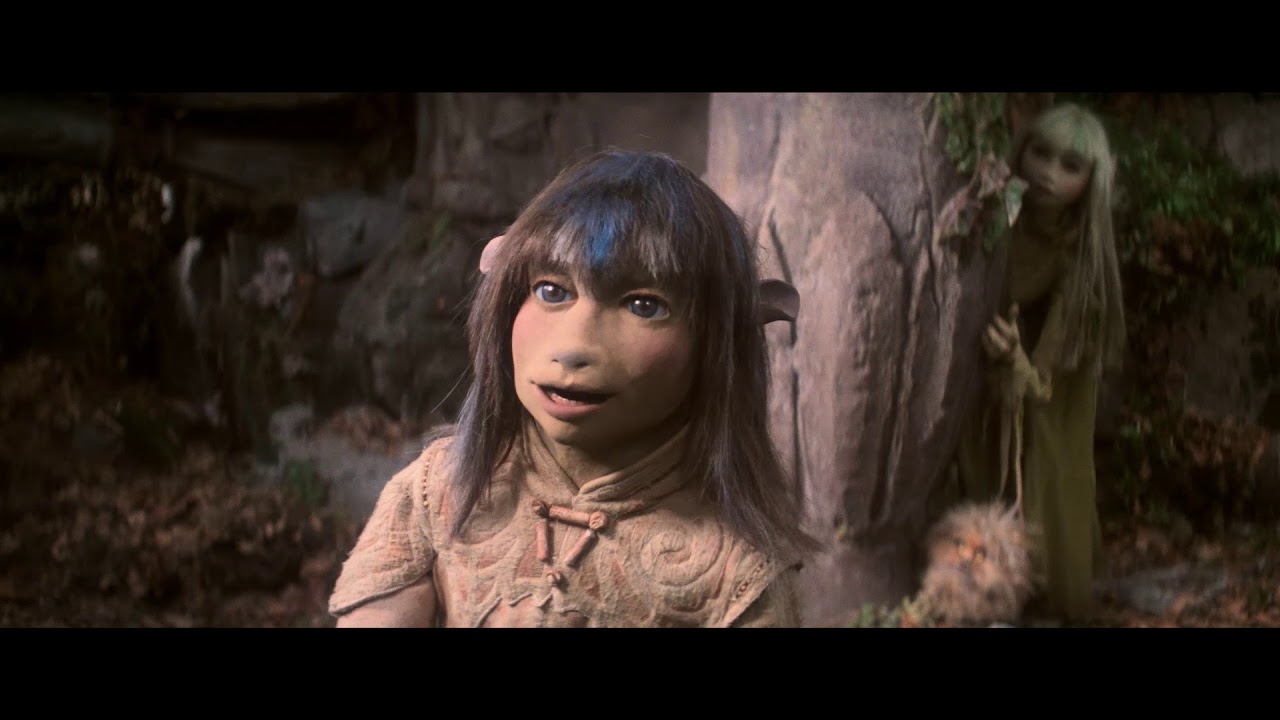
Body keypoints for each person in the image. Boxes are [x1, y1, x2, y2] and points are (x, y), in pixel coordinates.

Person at [328, 149, 820, 627]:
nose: (572, 348)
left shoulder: (737, 571)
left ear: (716, 343)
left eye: (644, 305)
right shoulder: (439, 489)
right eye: (552, 291)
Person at [955, 102, 1126, 624]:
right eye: (1040, 153)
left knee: (1045, 479)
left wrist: (1015, 358)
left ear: (1092, 179)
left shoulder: (1079, 260)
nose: (1049, 173)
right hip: (980, 383)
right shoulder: (997, 220)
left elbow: (1047, 379)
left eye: (1070, 165)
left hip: (1044, 392)